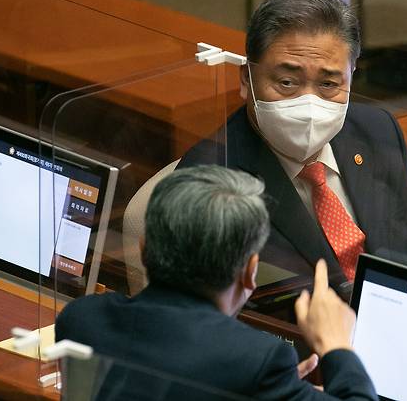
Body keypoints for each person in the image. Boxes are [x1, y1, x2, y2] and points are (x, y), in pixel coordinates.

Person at [178, 0, 407, 289]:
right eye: (287, 82)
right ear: (246, 79)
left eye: (329, 84)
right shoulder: (207, 180)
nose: (309, 103)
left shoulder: (377, 132)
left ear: (352, 76)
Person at [55, 165, 378, 400]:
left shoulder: (81, 319)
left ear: (143, 248)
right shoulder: (257, 359)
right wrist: (338, 347)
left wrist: (273, 390)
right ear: (250, 271)